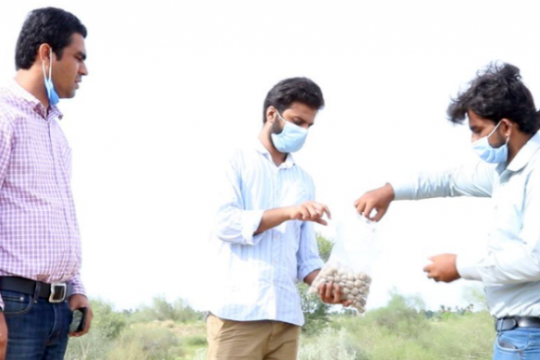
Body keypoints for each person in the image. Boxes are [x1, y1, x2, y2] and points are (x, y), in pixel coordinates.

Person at [354, 63, 540, 359]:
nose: (473, 142)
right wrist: (389, 191)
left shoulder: (535, 171)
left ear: (505, 126)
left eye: (477, 131)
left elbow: (534, 259)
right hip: (516, 337)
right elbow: (450, 180)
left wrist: (460, 266)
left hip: (530, 340)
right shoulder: (507, 170)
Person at [207, 77, 350, 360]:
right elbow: (226, 224)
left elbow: (306, 259)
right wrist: (288, 212)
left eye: (308, 125)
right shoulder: (234, 160)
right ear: (272, 114)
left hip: (286, 318)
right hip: (238, 314)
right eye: (297, 121)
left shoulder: (303, 181)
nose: (303, 131)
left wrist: (329, 285)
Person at [0, 7, 92, 360]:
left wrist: (75, 288)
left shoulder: (54, 129)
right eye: (78, 57)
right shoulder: (6, 117)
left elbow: (58, 214)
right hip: (14, 308)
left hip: (55, 310)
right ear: (46, 54)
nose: (84, 69)